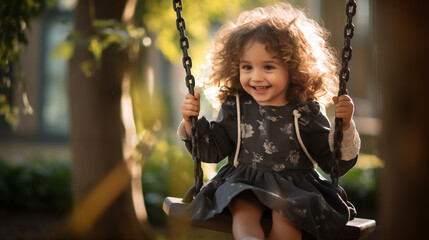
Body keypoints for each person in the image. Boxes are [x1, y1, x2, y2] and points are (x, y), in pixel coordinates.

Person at [177, 2, 360, 240]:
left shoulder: (306, 110)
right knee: (243, 208)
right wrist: (191, 123)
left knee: (287, 218)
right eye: (247, 67)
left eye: (268, 67)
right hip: (245, 181)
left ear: (293, 69)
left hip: (294, 188)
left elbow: (331, 161)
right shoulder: (236, 106)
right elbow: (211, 150)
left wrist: (344, 127)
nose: (256, 77)